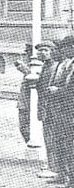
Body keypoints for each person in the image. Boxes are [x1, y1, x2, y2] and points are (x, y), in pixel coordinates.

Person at [45, 36, 74, 188]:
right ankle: (65, 177)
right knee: (62, 144)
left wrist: (58, 91)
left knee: (70, 147)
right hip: (62, 111)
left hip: (70, 112)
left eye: (65, 48)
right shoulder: (67, 63)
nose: (63, 51)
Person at [35, 41, 59, 180]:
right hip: (46, 106)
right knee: (48, 137)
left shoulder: (53, 66)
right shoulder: (46, 66)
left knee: (52, 137)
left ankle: (54, 167)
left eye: (45, 50)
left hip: (51, 107)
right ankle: (52, 165)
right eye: (40, 51)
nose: (42, 53)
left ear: (52, 51)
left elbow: (47, 88)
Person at [14, 44, 33, 144]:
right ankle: (28, 143)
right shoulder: (29, 64)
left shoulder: (36, 65)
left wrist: (22, 67)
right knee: (23, 127)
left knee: (27, 126)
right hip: (23, 103)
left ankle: (31, 144)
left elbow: (33, 76)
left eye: (28, 53)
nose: (27, 55)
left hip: (30, 103)